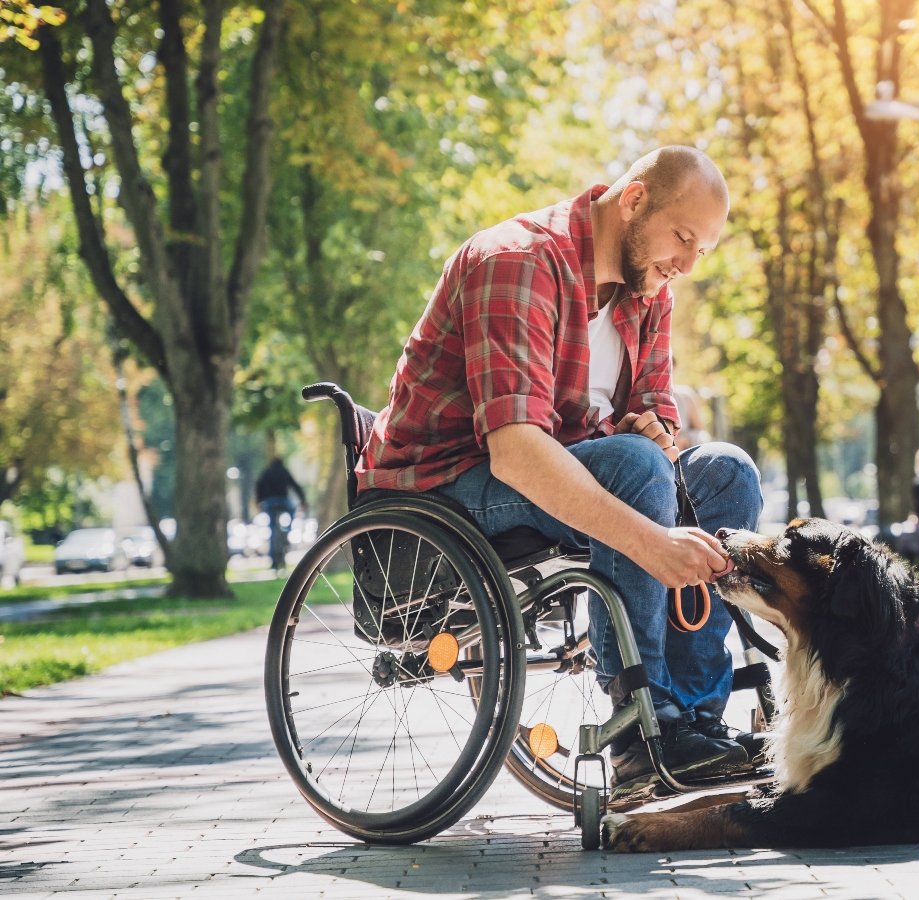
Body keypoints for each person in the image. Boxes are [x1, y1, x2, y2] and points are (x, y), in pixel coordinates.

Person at [356, 146, 764, 803]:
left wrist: (657, 429)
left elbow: (656, 408)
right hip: (447, 486)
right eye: (683, 238)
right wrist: (652, 542)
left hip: (561, 472)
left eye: (702, 252)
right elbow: (517, 451)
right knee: (632, 467)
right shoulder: (515, 260)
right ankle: (642, 722)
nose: (687, 265)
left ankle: (695, 723)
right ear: (633, 200)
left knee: (725, 472)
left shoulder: (649, 291)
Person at [255, 457, 307, 573]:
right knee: (293, 511)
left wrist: (259, 501)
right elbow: (295, 485)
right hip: (283, 501)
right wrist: (303, 501)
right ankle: (288, 531)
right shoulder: (284, 471)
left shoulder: (266, 472)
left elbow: (259, 485)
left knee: (272, 529)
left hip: (269, 502)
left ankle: (273, 562)